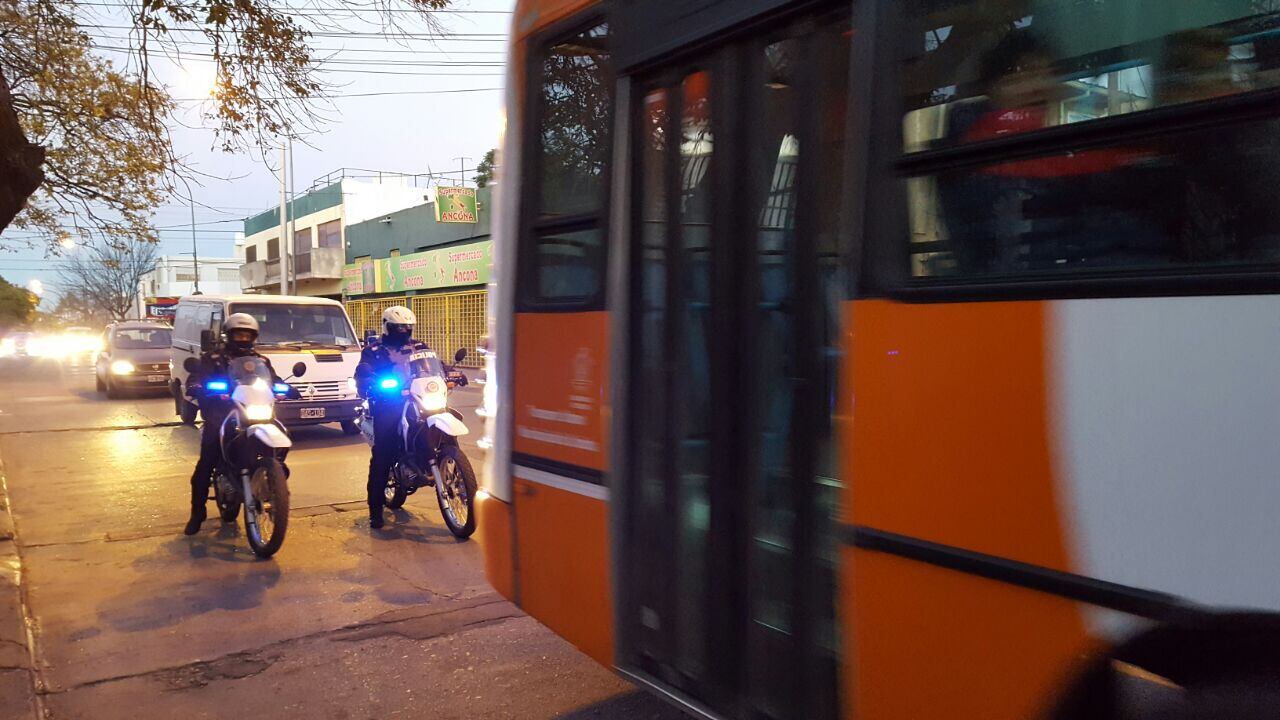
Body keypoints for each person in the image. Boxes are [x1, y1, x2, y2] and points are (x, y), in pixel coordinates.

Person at [183, 313, 285, 536]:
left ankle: (275, 479)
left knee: (279, 437)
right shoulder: (213, 358)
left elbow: (273, 380)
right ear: (229, 335)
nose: (242, 338)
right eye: (238, 334)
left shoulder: (261, 361)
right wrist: (198, 385)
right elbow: (196, 377)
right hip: (221, 416)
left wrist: (284, 387)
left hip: (254, 414)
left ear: (253, 337)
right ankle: (197, 513)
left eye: (246, 334)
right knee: (205, 463)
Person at [354, 306, 424, 530]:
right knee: (383, 452)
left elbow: (432, 366)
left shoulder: (418, 347)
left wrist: (450, 373)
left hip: (417, 399)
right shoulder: (373, 350)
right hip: (387, 403)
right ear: (387, 326)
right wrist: (368, 383)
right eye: (398, 327)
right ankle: (375, 509)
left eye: (407, 327)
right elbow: (362, 374)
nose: (403, 330)